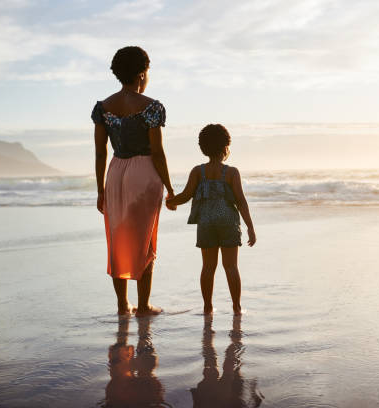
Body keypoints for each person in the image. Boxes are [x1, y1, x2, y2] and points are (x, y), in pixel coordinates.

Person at [91, 46, 174, 316]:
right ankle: (143, 305)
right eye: (147, 72)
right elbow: (158, 152)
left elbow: (101, 152)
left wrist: (100, 190)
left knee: (118, 237)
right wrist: (171, 187)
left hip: (116, 173)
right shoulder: (151, 107)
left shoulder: (103, 108)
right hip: (144, 172)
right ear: (141, 75)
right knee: (145, 239)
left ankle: (121, 304)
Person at [166, 124, 256, 315]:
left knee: (208, 267)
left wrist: (170, 201)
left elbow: (185, 195)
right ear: (226, 147)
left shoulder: (198, 171)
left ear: (203, 148)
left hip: (206, 222)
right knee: (231, 267)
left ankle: (208, 306)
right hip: (228, 222)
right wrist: (250, 227)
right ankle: (236, 307)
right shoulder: (231, 172)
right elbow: (241, 202)